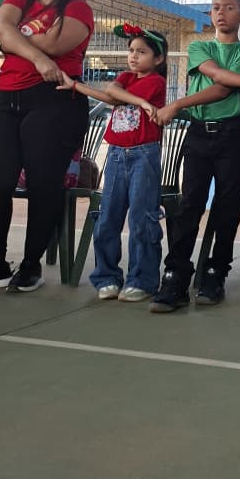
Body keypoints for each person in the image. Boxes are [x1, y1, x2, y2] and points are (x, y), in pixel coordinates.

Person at [149, 0, 240, 312]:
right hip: (199, 135)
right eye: (215, 7)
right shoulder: (200, 47)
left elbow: (223, 88)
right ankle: (176, 276)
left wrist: (178, 104)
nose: (221, 12)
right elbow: (215, 74)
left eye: (229, 7)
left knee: (228, 206)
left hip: (233, 135)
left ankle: (215, 273)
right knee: (190, 205)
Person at [0, 0, 93, 291]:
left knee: (43, 182)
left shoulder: (77, 8)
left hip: (53, 99)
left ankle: (31, 264)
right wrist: (37, 57)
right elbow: (2, 30)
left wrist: (14, 39)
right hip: (6, 96)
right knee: (0, 181)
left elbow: (56, 44)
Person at [58, 24, 168, 301]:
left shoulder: (156, 82)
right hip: (117, 154)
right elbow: (111, 92)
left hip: (144, 155)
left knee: (142, 219)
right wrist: (76, 85)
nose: (133, 56)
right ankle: (106, 277)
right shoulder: (125, 77)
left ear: (158, 58)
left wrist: (79, 85)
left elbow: (113, 95)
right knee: (108, 217)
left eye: (141, 52)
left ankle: (142, 281)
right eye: (131, 51)